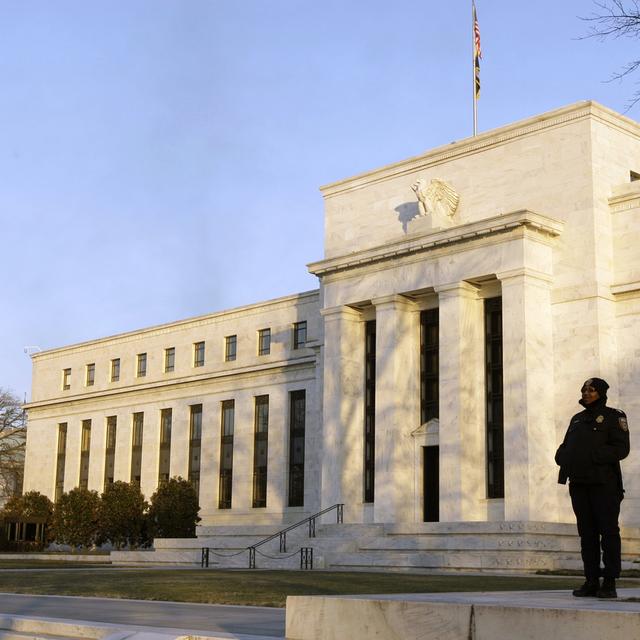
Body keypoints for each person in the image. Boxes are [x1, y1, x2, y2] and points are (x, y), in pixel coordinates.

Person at [555, 378, 630, 598]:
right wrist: (563, 457)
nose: (586, 393)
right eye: (584, 390)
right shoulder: (577, 419)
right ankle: (591, 580)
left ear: (601, 393)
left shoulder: (614, 416)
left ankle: (609, 581)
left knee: (608, 533)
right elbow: (565, 446)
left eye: (591, 390)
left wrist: (590, 457)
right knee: (586, 534)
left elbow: (621, 449)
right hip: (579, 484)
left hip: (604, 484)